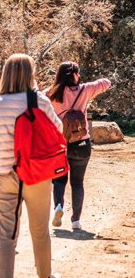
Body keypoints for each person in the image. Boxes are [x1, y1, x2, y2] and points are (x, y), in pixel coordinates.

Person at [0, 54, 63, 278]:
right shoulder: (38, 101)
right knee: (39, 229)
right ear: (30, 74)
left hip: (3, 174)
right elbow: (57, 129)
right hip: (36, 173)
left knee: (7, 231)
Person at [46, 61, 111, 230]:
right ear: (74, 74)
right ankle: (76, 221)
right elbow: (106, 82)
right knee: (77, 182)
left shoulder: (50, 93)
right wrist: (87, 86)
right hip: (81, 143)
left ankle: (58, 207)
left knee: (59, 181)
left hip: (59, 144)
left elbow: (37, 101)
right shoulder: (86, 89)